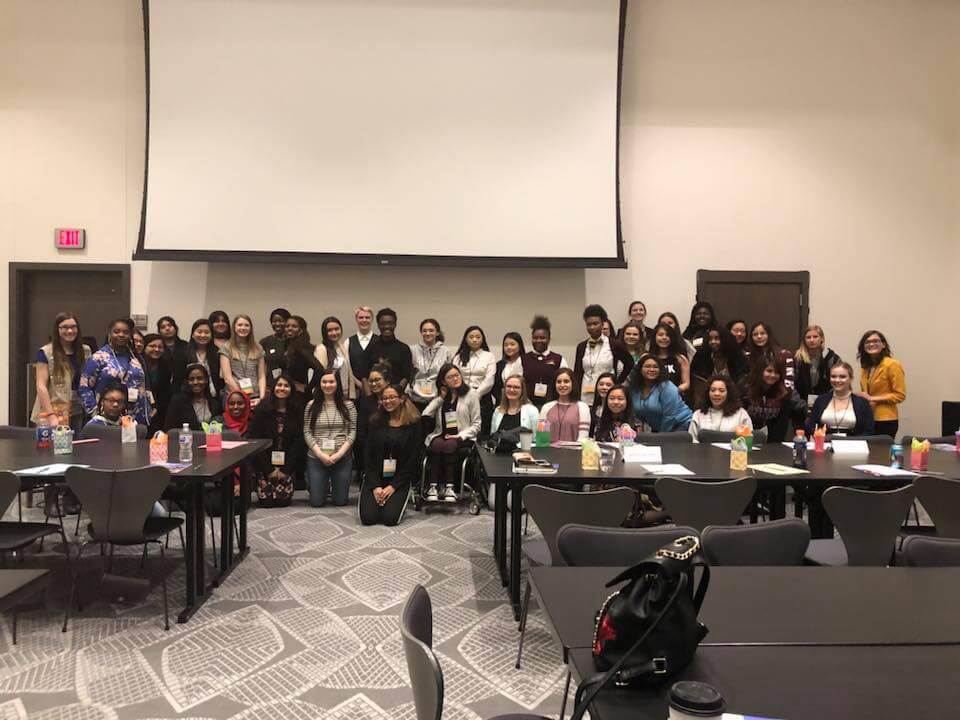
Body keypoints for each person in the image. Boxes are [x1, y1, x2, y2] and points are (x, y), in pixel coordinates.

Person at [360, 385, 422, 526]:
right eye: (385, 398)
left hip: (398, 480)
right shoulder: (375, 421)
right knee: (368, 518)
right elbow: (368, 456)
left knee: (390, 519)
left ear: (402, 398)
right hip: (376, 478)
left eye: (392, 397)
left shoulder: (414, 423)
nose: (388, 401)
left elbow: (413, 459)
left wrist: (392, 487)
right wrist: (376, 486)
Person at [423, 363, 482, 502]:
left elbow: (477, 424)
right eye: (450, 377)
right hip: (441, 434)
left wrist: (460, 436)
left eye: (457, 375)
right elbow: (426, 414)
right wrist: (440, 398)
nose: (455, 379)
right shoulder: (441, 396)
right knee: (436, 444)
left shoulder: (471, 394)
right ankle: (433, 487)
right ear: (443, 381)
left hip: (463, 436)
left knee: (449, 445)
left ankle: (450, 487)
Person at [80, 318, 152, 425]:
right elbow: (84, 387)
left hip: (135, 418)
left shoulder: (137, 358)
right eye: (117, 331)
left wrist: (149, 407)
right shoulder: (98, 357)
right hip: (108, 417)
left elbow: (144, 385)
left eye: (125, 332)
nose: (121, 335)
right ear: (110, 334)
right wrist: (94, 412)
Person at [303, 369, 357, 507]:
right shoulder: (311, 405)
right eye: (324, 382)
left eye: (331, 381)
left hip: (342, 457)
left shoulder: (349, 405)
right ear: (319, 384)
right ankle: (319, 485)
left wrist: (339, 454)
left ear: (337, 383)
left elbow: (352, 432)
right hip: (317, 457)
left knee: (340, 502)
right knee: (316, 502)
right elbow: (307, 432)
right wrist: (320, 454)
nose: (328, 385)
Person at [250, 373, 304, 508]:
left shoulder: (297, 410)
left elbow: (298, 443)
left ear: (291, 389)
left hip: (287, 464)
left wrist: (285, 470)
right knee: (266, 502)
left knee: (283, 501)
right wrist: (268, 470)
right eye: (279, 385)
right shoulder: (262, 409)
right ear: (274, 388)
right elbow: (256, 441)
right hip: (265, 463)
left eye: (286, 386)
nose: (282, 388)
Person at [33, 312, 92, 431]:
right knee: (52, 447)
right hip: (53, 408)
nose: (69, 331)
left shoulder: (85, 351)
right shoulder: (46, 352)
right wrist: (50, 415)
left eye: (73, 327)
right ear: (57, 329)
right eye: (64, 327)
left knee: (75, 446)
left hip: (77, 409)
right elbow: (41, 386)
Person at [574, 304, 634, 406]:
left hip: (608, 395)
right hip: (586, 396)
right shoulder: (581, 346)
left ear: (603, 324)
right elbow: (578, 372)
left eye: (595, 323)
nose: (592, 327)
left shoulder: (615, 344)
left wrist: (617, 382)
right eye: (589, 324)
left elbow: (629, 363)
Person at [856, 330, 906, 438]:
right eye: (867, 342)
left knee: (881, 454)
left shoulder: (892, 364)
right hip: (868, 418)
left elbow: (900, 395)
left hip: (886, 419)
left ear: (883, 345)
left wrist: (871, 398)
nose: (871, 344)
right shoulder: (865, 367)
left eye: (875, 341)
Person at [744, 357, 805, 442]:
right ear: (760, 371)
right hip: (747, 438)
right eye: (769, 371)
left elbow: (783, 423)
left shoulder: (784, 391)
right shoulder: (747, 389)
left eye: (777, 372)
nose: (773, 375)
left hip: (774, 440)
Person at [806, 362, 875, 437]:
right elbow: (811, 425)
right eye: (833, 376)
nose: (837, 380)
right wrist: (817, 433)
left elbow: (869, 430)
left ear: (851, 379)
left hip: (854, 445)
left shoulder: (862, 403)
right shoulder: (821, 400)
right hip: (826, 444)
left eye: (842, 377)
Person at [627, 354, 693, 432]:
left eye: (655, 367)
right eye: (647, 366)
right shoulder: (635, 389)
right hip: (659, 428)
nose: (651, 369)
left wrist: (659, 437)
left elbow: (670, 417)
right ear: (640, 369)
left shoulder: (667, 386)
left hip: (681, 424)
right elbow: (636, 415)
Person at [453, 326, 496, 436]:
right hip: (461, 395)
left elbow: (489, 380)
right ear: (466, 339)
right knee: (461, 427)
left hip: (482, 397)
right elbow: (454, 376)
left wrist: (476, 395)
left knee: (482, 430)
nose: (474, 340)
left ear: (483, 339)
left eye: (478, 337)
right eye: (471, 337)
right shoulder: (458, 357)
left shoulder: (489, 356)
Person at [690, 327, 749, 406]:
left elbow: (742, 386)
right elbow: (698, 388)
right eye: (710, 339)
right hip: (707, 402)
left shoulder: (737, 358)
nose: (713, 342)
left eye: (717, 338)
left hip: (734, 402)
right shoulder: (701, 358)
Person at [219, 314, 267, 407]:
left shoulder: (258, 348)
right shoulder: (226, 347)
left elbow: (261, 376)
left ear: (250, 328)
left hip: (255, 397)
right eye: (240, 325)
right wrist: (243, 398)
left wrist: (261, 398)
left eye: (246, 325)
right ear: (234, 327)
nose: (243, 328)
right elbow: (227, 379)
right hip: (235, 398)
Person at [522, 315, 568, 409]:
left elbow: (566, 382)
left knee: (545, 424)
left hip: (551, 406)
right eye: (535, 338)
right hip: (527, 406)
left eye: (542, 338)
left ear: (549, 339)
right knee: (527, 424)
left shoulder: (558, 359)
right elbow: (518, 383)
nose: (538, 340)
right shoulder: (523, 359)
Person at [688, 375, 753, 442]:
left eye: (721, 391)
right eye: (713, 390)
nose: (716, 394)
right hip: (704, 452)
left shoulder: (741, 414)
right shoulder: (698, 415)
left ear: (729, 393)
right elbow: (692, 441)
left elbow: (747, 441)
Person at [355, 361, 391, 476]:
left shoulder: (396, 401)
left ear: (387, 381)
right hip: (371, 451)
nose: (374, 384)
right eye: (371, 381)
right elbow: (361, 431)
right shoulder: (366, 402)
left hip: (393, 450)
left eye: (377, 380)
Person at [364, 308, 413, 392]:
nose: (387, 326)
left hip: (395, 396)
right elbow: (364, 375)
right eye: (383, 323)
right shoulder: (371, 347)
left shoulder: (403, 348)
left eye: (390, 323)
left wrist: (396, 392)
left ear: (395, 324)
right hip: (374, 394)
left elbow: (406, 376)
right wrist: (369, 395)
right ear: (378, 325)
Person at [163, 363, 223, 430]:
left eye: (200, 378)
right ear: (187, 381)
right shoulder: (177, 401)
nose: (195, 382)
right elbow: (169, 429)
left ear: (206, 380)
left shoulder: (214, 403)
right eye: (191, 379)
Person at [409, 318, 451, 411]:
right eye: (424, 331)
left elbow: (448, 374)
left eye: (431, 331)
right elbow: (408, 373)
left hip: (438, 398)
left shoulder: (445, 351)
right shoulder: (413, 350)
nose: (428, 334)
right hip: (415, 398)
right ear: (421, 332)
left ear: (437, 333)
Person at [538, 368, 591, 442]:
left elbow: (583, 439)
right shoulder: (546, 407)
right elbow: (541, 438)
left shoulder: (583, 407)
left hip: (573, 452)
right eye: (559, 382)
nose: (562, 385)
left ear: (573, 383)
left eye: (566, 381)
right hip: (549, 452)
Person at [794, 325, 841, 407]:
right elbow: (791, 385)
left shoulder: (832, 359)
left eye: (815, 337)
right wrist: (801, 405)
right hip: (800, 407)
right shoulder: (797, 359)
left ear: (822, 339)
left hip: (827, 405)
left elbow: (839, 383)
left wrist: (824, 403)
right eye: (808, 337)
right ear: (804, 340)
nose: (812, 340)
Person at [176, 319, 222, 398]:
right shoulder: (183, 352)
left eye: (207, 332)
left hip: (212, 397)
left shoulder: (216, 353)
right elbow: (178, 379)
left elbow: (219, 379)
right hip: (188, 397)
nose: (203, 335)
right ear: (193, 334)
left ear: (211, 336)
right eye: (199, 332)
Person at [280, 315, 323, 400]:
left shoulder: (302, 348)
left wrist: (308, 388)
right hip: (285, 392)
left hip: (298, 396)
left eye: (294, 326)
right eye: (287, 326)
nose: (290, 328)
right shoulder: (286, 346)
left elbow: (319, 369)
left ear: (301, 330)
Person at [314, 316, 356, 400]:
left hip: (344, 394)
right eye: (330, 330)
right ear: (324, 333)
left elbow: (348, 372)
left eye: (337, 329)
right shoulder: (321, 349)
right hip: (329, 396)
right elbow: (321, 376)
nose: (334, 332)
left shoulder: (341, 347)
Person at [746, 321, 796, 390]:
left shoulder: (785, 355)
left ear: (769, 335)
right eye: (755, 334)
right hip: (756, 397)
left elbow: (789, 382)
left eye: (762, 333)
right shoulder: (748, 356)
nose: (759, 337)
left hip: (781, 396)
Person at [141, 333, 173, 433]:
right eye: (152, 346)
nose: (157, 349)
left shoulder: (166, 365)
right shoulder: (138, 364)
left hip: (160, 410)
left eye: (160, 347)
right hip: (141, 408)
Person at [651, 322, 691, 397]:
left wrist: (673, 391)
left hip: (674, 398)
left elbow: (686, 383)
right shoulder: (647, 357)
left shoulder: (681, 359)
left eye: (668, 335)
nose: (664, 337)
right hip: (652, 398)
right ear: (654, 337)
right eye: (660, 335)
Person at [491, 332, 526, 413]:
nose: (509, 347)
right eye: (506, 345)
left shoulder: (526, 362)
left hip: (522, 404)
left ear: (519, 345)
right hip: (503, 404)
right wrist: (505, 399)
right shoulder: (499, 365)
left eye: (512, 344)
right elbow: (494, 386)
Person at [347, 306, 377, 394]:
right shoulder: (348, 342)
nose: (364, 320)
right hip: (355, 390)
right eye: (361, 317)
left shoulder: (380, 341)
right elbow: (347, 368)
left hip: (376, 390)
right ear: (356, 319)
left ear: (372, 319)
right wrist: (359, 384)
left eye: (367, 317)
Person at [260, 307, 290, 381]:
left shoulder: (293, 342)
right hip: (270, 384)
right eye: (274, 321)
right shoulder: (265, 342)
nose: (277, 324)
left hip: (290, 385)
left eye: (281, 321)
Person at [589, 372, 617, 437]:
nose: (604, 387)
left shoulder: (617, 409)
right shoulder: (594, 409)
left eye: (608, 385)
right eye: (601, 384)